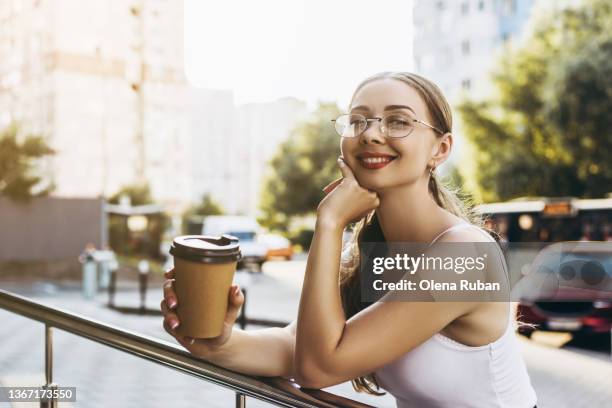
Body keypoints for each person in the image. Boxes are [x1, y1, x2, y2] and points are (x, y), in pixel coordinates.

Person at [161, 72, 537, 407]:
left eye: (398, 121)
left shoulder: (464, 253)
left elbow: (317, 368)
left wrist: (329, 222)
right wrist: (218, 342)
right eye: (358, 121)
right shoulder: (377, 257)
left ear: (440, 149)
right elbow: (298, 347)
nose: (371, 133)